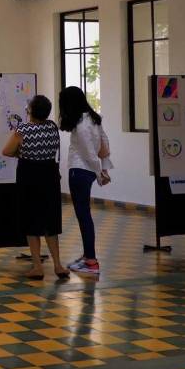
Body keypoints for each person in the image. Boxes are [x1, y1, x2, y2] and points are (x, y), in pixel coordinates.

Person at [2, 95, 69, 280]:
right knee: (51, 222)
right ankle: (57, 265)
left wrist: (21, 153)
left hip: (29, 177)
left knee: (32, 222)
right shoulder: (52, 127)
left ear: (30, 110)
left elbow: (7, 151)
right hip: (49, 177)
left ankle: (37, 266)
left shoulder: (22, 130)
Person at [59, 86, 111, 276]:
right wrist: (103, 167)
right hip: (86, 172)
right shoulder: (93, 118)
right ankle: (88, 256)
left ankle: (91, 261)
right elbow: (104, 143)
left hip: (80, 172)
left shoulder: (81, 126)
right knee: (84, 214)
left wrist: (100, 173)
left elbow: (90, 153)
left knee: (83, 215)